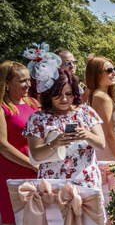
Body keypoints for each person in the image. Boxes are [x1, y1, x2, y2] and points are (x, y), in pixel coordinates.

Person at [24, 60, 106, 189]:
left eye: (69, 94)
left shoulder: (86, 112)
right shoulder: (38, 119)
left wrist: (87, 135)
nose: (64, 99)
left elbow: (101, 144)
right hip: (53, 185)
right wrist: (54, 144)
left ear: (75, 93)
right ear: (49, 95)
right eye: (57, 95)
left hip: (86, 183)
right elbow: (36, 156)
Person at [0, 61, 39, 225]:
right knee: (10, 224)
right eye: (22, 81)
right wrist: (31, 164)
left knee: (34, 222)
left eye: (29, 80)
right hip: (11, 171)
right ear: (7, 82)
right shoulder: (3, 108)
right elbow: (2, 145)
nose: (28, 84)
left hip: (35, 168)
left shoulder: (33, 103)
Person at [85, 55, 115, 161]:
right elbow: (109, 135)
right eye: (109, 71)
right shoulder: (102, 98)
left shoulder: (96, 95)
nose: (114, 73)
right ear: (96, 74)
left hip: (111, 152)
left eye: (114, 69)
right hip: (112, 155)